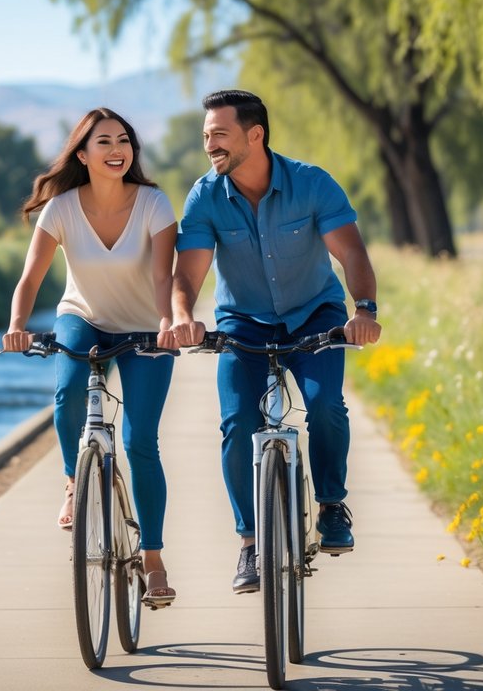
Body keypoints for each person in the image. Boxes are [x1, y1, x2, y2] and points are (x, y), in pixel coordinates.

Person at [168, 89, 382, 594]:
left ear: (255, 134)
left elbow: (351, 254)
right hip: (243, 322)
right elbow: (188, 276)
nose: (210, 146)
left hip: (315, 315)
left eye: (219, 135)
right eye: (206, 136)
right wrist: (181, 317)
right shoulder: (204, 196)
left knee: (326, 403)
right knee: (236, 421)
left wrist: (364, 311)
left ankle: (331, 504)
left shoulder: (311, 184)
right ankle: (249, 543)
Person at [4, 107, 179, 607]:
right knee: (67, 392)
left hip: (146, 325)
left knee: (141, 441)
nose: (117, 149)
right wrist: (17, 326)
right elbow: (31, 278)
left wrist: (168, 321)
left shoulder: (153, 204)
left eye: (123, 140)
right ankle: (71, 480)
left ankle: (153, 558)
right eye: (104, 142)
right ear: (82, 153)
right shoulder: (60, 209)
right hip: (83, 316)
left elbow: (164, 276)